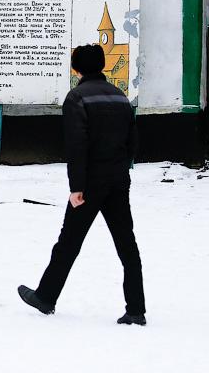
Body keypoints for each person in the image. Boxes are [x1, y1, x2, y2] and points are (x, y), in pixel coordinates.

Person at [17, 44, 146, 325]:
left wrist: (77, 187)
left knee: (68, 242)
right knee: (127, 244)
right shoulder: (120, 97)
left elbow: (77, 145)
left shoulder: (77, 98)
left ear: (76, 69)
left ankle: (46, 297)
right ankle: (136, 309)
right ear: (102, 65)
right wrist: (120, 169)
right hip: (118, 180)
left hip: (89, 183)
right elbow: (133, 142)